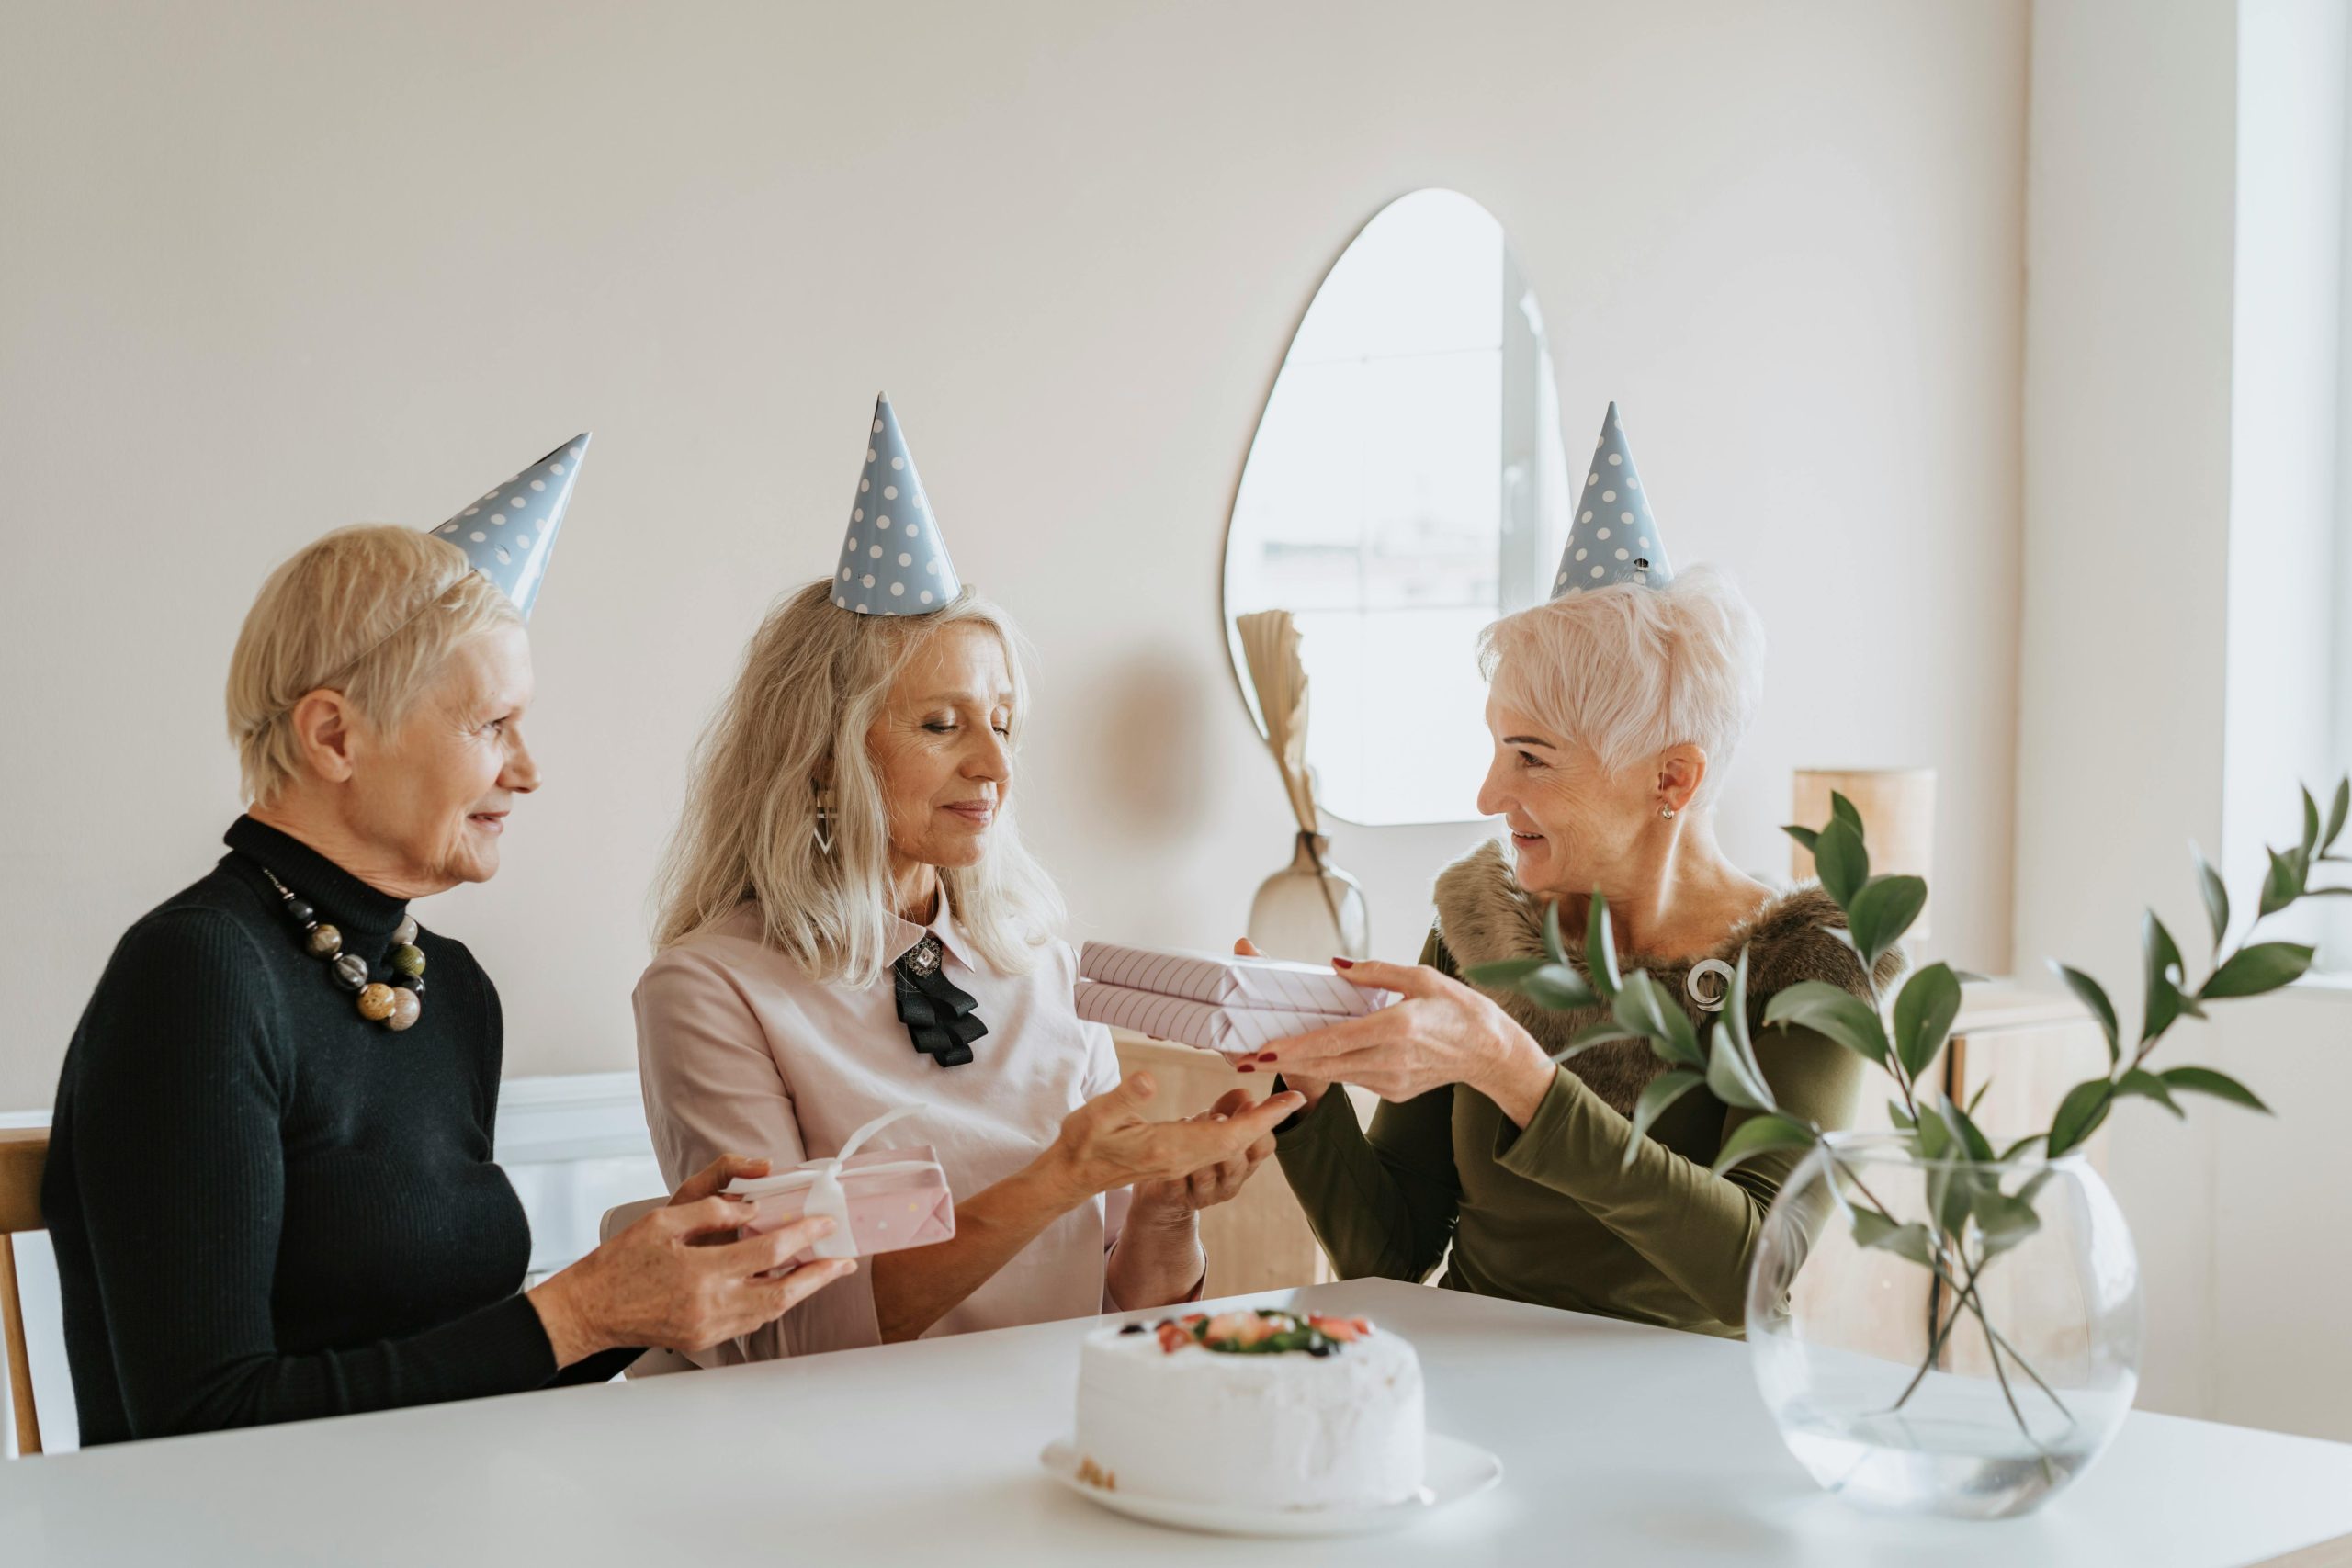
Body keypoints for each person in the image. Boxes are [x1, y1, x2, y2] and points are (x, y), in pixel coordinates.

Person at [43, 442, 849, 1444]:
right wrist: (582, 1312)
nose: (529, 770)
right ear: (333, 737)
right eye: (493, 724)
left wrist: (644, 1295)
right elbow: (200, 1420)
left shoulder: (448, 989)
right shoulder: (199, 975)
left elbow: (458, 1377)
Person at [635, 396, 1298, 1361]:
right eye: (941, 725)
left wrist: (1160, 1213)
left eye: (1002, 721)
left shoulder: (1040, 969)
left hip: (1044, 1446)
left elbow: (1128, 1326)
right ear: (821, 756)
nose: (994, 765)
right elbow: (788, 1335)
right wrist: (1062, 1176)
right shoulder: (709, 989)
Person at [1264, 407, 1889, 1337]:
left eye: (1530, 757)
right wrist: (1301, 1100)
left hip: (1681, 1426)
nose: (1486, 794)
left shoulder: (1811, 967)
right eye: (1493, 750)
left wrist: (1519, 1074)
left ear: (1670, 778)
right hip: (1471, 1397)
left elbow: (1757, 1270)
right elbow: (1388, 1252)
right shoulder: (1482, 927)